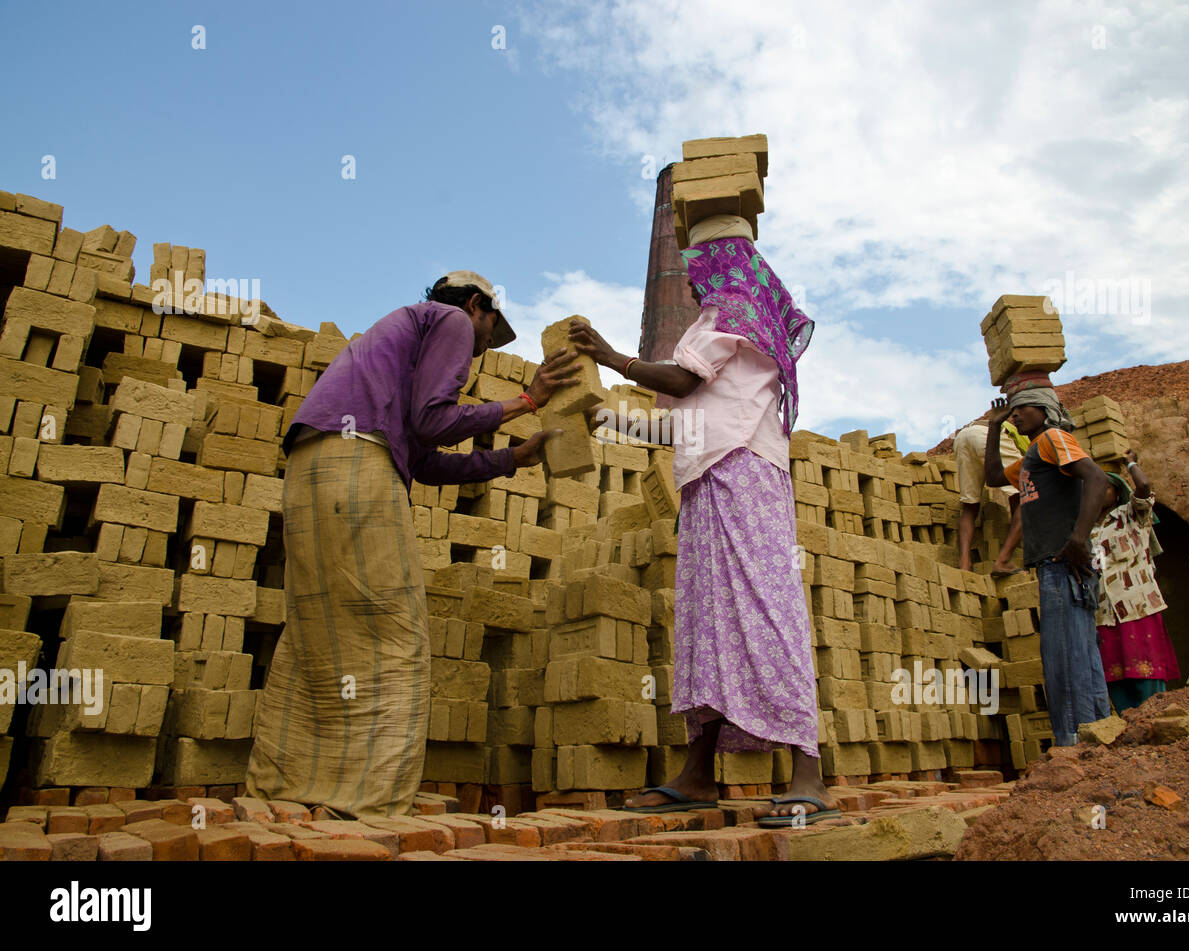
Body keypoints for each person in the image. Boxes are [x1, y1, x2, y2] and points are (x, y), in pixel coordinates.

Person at [245, 271, 579, 819]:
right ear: (477, 307)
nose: (477, 354)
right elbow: (432, 422)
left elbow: (420, 460)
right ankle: (368, 803)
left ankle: (285, 786)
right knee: (395, 636)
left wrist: (508, 459)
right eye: (486, 335)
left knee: (315, 636)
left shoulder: (391, 343)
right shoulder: (448, 320)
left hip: (311, 467)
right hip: (355, 468)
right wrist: (526, 401)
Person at [568, 216, 838, 827]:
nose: (692, 282)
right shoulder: (735, 324)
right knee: (707, 623)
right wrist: (611, 420)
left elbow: (684, 379)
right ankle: (697, 773)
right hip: (713, 480)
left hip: (742, 477)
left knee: (767, 614)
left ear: (720, 265)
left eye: (699, 268)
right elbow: (689, 424)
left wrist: (613, 358)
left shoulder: (733, 313)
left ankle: (807, 772)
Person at [984, 386, 1112, 746]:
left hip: (1063, 564)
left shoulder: (1054, 438)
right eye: (1013, 410)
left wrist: (1077, 538)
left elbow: (1097, 478)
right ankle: (1097, 735)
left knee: (1063, 656)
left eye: (1024, 408)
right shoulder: (1033, 455)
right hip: (1052, 566)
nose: (1016, 414)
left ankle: (1073, 743)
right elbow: (994, 478)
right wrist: (994, 428)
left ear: (1045, 411)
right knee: (1080, 654)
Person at [1090, 449, 1180, 712]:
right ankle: (1131, 725)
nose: (1098, 491)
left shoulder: (1131, 515)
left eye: (1105, 487)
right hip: (1104, 613)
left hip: (1136, 607)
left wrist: (1130, 463)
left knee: (1146, 671)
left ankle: (1156, 719)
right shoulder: (1085, 529)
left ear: (1117, 492)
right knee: (1114, 677)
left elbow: (1143, 486)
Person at [954, 420, 1027, 574]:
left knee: (970, 506)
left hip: (962, 437)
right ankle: (1003, 561)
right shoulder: (1035, 440)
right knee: (1024, 498)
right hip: (988, 435)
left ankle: (965, 565)